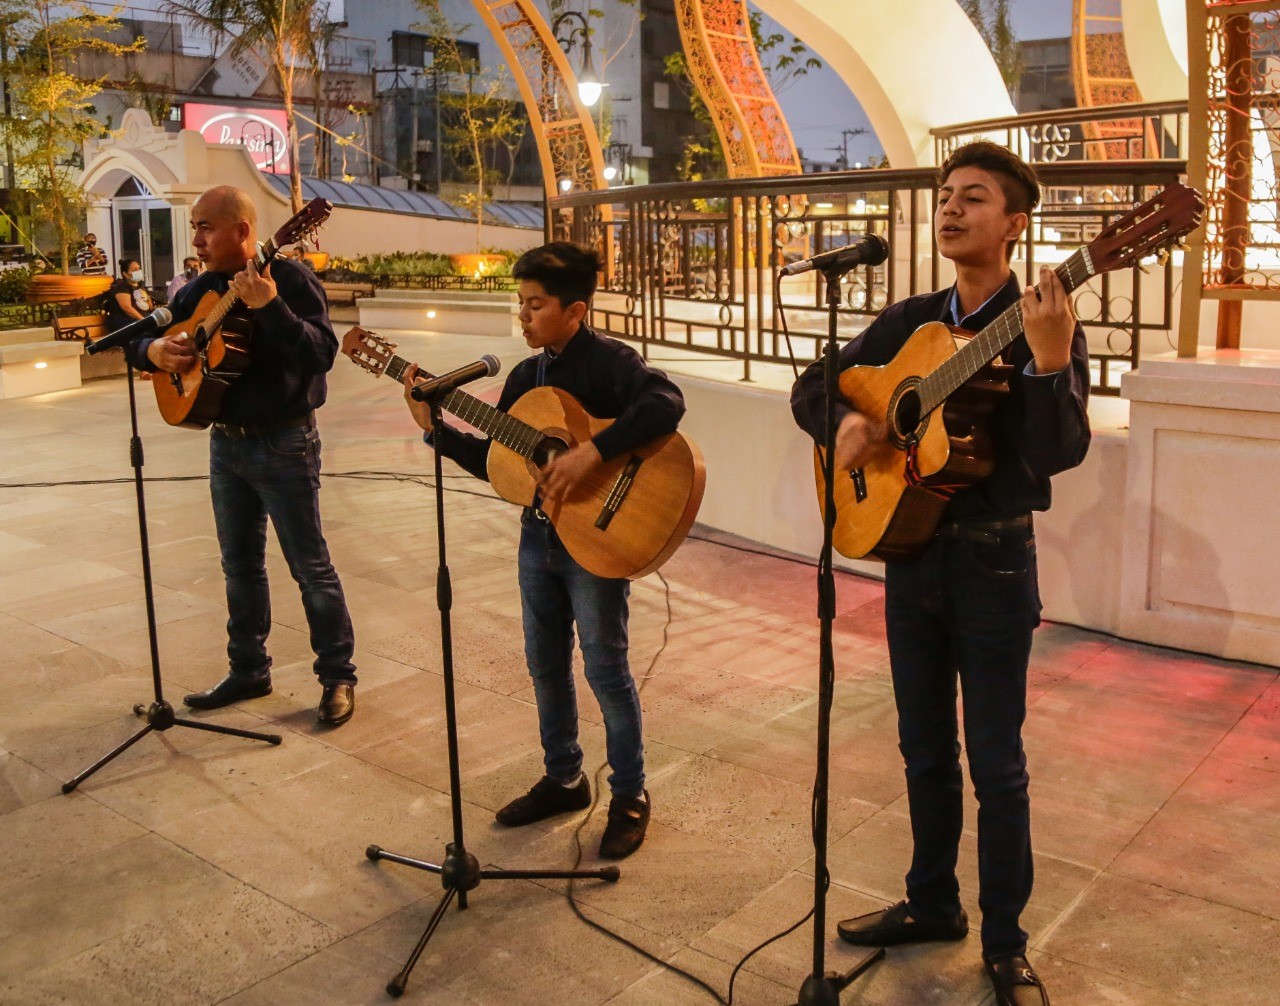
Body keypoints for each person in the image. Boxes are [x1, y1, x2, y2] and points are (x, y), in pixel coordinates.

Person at [790, 141, 1090, 1006]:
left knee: (996, 763)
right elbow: (818, 385)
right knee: (922, 748)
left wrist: (1050, 362)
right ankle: (931, 903)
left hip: (994, 561)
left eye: (975, 198)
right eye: (946, 196)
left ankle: (1005, 942)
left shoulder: (1045, 315)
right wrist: (847, 424)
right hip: (910, 555)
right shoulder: (912, 321)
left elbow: (1055, 456)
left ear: (1015, 222)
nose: (952, 209)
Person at [401, 241, 686, 859]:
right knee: (544, 663)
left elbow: (667, 404)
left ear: (575, 310)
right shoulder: (525, 378)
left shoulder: (611, 363)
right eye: (520, 304)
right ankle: (564, 777)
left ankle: (631, 794)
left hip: (596, 537)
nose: (522, 317)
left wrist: (594, 451)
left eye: (535, 305)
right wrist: (439, 431)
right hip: (540, 536)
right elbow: (503, 465)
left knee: (605, 668)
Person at [127, 186, 358, 727]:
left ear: (243, 232)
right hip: (225, 443)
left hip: (285, 442)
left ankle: (337, 676)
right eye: (195, 226)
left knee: (310, 566)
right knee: (239, 566)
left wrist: (270, 305)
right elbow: (144, 338)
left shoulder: (292, 280)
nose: (197, 238)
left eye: (206, 226)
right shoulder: (201, 289)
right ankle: (249, 669)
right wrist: (156, 351)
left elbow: (322, 353)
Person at [105, 260, 154, 334]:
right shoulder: (122, 287)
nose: (138, 271)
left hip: (141, 319)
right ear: (125, 274)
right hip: (124, 321)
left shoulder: (141, 287)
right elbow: (127, 308)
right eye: (135, 270)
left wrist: (148, 300)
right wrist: (144, 321)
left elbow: (149, 308)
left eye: (139, 268)